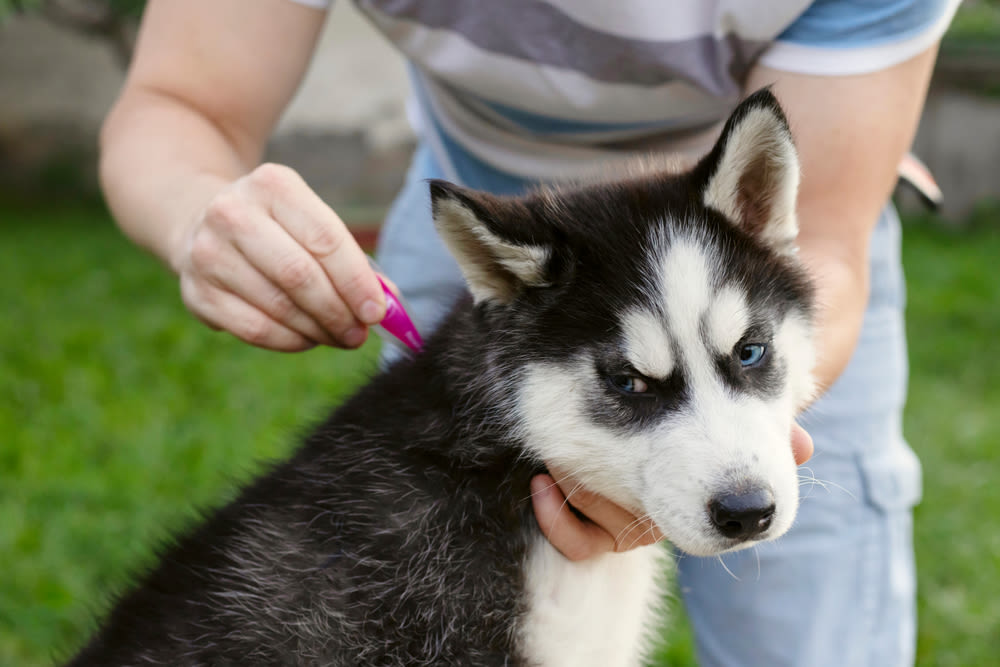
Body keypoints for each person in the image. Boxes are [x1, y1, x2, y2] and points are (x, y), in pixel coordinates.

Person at [98, 1, 960, 664]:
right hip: (509, 239)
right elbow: (181, 101)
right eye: (633, 384)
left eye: (751, 357)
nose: (732, 463)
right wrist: (195, 211)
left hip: (735, 226)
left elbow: (829, 252)